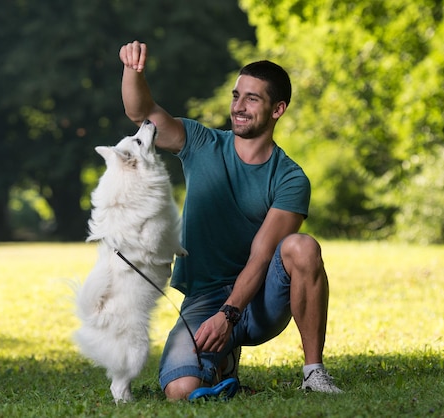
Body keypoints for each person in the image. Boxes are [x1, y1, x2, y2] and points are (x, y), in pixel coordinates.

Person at [119, 40, 343, 400]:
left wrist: (229, 314)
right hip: (204, 299)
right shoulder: (199, 142)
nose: (238, 107)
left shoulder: (289, 178)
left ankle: (313, 372)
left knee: (302, 247)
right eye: (236, 96)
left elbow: (262, 253)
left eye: (252, 99)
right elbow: (140, 112)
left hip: (258, 300)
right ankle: (223, 367)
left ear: (278, 109)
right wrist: (133, 69)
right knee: (180, 391)